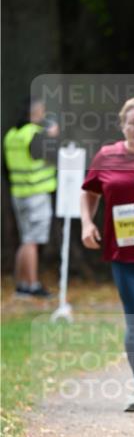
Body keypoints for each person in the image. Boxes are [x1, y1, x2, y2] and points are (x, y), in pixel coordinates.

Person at [80, 97, 134, 413]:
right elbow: (89, 191)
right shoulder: (107, 155)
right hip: (124, 253)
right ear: (123, 125)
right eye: (132, 122)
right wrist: (87, 223)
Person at [4, 98, 59, 297]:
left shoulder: (12, 134)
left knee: (26, 239)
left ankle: (22, 285)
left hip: (19, 193)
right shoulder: (35, 134)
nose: (44, 115)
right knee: (32, 241)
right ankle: (33, 284)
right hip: (37, 193)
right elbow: (52, 156)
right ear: (34, 113)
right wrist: (52, 136)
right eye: (42, 111)